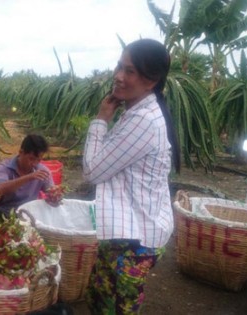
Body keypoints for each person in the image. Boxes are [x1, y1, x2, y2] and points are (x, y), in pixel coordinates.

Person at [82, 38, 181, 314]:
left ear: (151, 81)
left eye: (129, 71)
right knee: (99, 298)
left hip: (135, 240)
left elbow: (92, 171)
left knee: (115, 307)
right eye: (119, 66)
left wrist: (101, 120)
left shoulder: (143, 121)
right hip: (126, 232)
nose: (118, 76)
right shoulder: (138, 112)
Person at [0, 134, 54, 217]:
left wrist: (55, 195)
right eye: (31, 158)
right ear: (21, 152)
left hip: (29, 213)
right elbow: (0, 189)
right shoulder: (5, 166)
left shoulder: (43, 171)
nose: (34, 163)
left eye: (39, 160)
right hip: (5, 212)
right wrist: (28, 177)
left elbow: (51, 192)